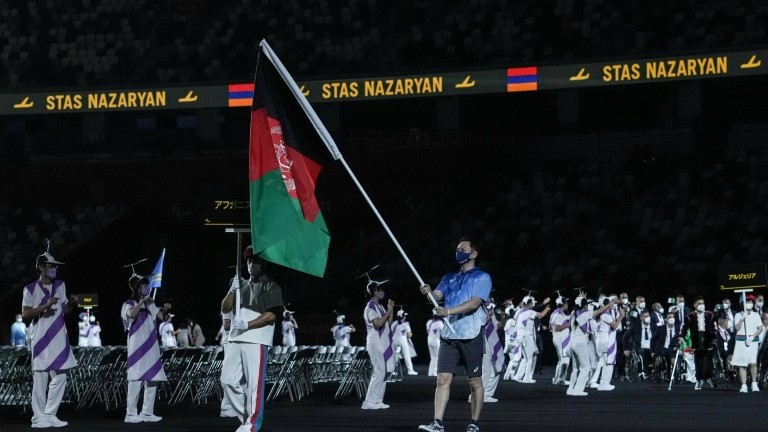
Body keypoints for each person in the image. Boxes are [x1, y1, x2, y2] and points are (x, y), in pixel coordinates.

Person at [418, 237, 492, 432]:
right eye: (457, 248)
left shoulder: (482, 277)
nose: (458, 251)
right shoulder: (449, 277)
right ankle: (437, 423)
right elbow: (436, 297)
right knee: (442, 379)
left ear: (474, 254)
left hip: (471, 334)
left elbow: (475, 303)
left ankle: (474, 423)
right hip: (449, 335)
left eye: (463, 249)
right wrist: (428, 293)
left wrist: (448, 312)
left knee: (474, 382)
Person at [221, 246, 284, 432]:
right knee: (227, 381)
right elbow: (225, 308)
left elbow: (272, 315)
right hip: (235, 338)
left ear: (264, 263)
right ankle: (247, 419)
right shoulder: (240, 285)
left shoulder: (271, 286)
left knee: (254, 386)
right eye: (248, 261)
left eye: (255, 261)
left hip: (257, 339)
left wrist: (248, 325)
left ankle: (251, 425)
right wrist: (232, 290)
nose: (251, 264)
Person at [22, 251, 78, 428]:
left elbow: (63, 311)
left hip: (60, 337)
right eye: (50, 265)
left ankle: (50, 414)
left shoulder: (61, 285)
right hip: (40, 338)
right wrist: (46, 305)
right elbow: (25, 315)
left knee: (61, 376)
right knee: (40, 379)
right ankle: (38, 418)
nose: (54, 268)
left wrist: (71, 305)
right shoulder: (29, 289)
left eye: (55, 266)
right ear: (40, 267)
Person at [121, 273, 171, 423]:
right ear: (137, 288)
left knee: (152, 378)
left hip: (152, 345)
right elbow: (132, 315)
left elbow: (164, 318)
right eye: (144, 286)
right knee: (135, 379)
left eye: (147, 285)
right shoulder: (128, 303)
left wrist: (166, 309)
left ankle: (147, 413)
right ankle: (130, 414)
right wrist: (142, 301)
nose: (148, 288)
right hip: (137, 346)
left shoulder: (151, 304)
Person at [567, 295, 616, 396]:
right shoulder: (584, 314)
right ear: (584, 306)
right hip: (580, 343)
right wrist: (609, 304)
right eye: (587, 305)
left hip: (573, 343)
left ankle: (571, 388)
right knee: (586, 367)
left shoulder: (574, 313)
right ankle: (578, 390)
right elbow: (598, 311)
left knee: (576, 369)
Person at [361, 276, 395, 410]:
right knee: (379, 371)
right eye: (381, 289)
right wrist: (388, 312)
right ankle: (368, 401)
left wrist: (390, 309)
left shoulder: (379, 306)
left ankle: (378, 400)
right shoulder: (370, 308)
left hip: (383, 341)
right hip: (375, 342)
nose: (383, 292)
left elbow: (388, 323)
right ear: (374, 291)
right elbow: (378, 323)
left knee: (385, 371)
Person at [677, 296, 717, 390]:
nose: (701, 305)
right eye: (699, 303)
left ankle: (708, 378)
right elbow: (684, 328)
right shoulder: (690, 316)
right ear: (695, 305)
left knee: (707, 363)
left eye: (702, 303)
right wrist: (681, 337)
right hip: (696, 340)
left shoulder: (710, 315)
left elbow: (715, 328)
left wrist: (715, 338)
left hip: (708, 340)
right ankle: (699, 380)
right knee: (698, 363)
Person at [732, 294, 764, 393]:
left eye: (750, 302)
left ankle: (754, 383)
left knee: (753, 363)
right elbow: (736, 328)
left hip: (752, 341)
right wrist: (742, 318)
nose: (749, 304)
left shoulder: (756, 315)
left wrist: (752, 337)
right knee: (742, 364)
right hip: (741, 342)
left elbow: (760, 328)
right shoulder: (738, 315)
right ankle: (744, 385)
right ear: (743, 304)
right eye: (747, 302)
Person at [549, 296, 571, 385]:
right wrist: (569, 325)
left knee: (561, 359)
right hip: (561, 338)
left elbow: (567, 317)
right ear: (564, 304)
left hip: (558, 338)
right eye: (566, 303)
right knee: (565, 358)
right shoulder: (558, 315)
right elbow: (557, 328)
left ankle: (556, 378)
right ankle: (561, 379)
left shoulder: (556, 313)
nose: (567, 304)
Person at [391, 309, 418, 376]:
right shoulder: (406, 324)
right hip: (402, 340)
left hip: (393, 340)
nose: (405, 317)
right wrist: (410, 334)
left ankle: (394, 371)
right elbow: (409, 335)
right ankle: (410, 370)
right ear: (403, 316)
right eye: (404, 316)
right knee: (407, 355)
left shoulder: (393, 323)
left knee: (395, 355)